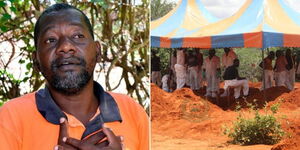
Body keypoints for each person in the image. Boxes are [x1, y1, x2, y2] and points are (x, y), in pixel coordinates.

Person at [0, 4, 149, 150]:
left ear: (97, 51)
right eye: (50, 40)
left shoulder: (131, 111)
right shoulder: (12, 117)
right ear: (36, 60)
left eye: (78, 36)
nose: (65, 46)